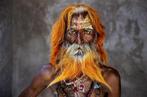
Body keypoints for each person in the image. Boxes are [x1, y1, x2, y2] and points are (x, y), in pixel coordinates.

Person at [19, 4, 121, 97]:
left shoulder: (109, 78)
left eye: (87, 31)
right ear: (63, 37)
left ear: (96, 37)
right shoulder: (50, 74)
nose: (79, 40)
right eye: (72, 31)